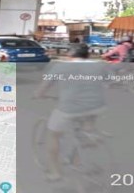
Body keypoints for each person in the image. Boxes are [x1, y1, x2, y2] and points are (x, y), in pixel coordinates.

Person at [33, 43, 106, 182]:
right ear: (88, 55)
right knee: (85, 132)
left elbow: (44, 87)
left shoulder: (60, 66)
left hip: (69, 107)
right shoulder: (98, 65)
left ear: (69, 55)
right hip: (96, 106)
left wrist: (38, 94)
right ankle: (82, 157)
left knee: (53, 135)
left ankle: (55, 173)